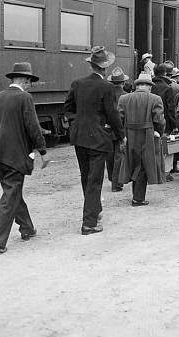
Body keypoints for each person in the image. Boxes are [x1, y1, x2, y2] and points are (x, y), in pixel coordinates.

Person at [0, 62, 49, 256]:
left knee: (12, 192)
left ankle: (27, 228)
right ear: (24, 80)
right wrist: (43, 151)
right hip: (16, 158)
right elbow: (33, 127)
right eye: (30, 82)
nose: (30, 86)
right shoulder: (25, 98)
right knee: (10, 197)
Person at [64, 46, 123, 235]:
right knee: (95, 180)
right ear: (104, 68)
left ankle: (94, 212)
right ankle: (89, 223)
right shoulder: (107, 87)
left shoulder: (77, 83)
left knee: (85, 177)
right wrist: (120, 136)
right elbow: (113, 114)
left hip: (79, 137)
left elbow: (67, 108)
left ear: (91, 65)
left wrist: (78, 123)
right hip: (98, 138)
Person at [117, 72, 165, 205]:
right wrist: (159, 132)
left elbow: (119, 119)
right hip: (147, 135)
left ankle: (136, 195)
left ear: (137, 86)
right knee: (143, 165)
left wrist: (122, 136)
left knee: (132, 163)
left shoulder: (124, 98)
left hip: (129, 134)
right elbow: (159, 120)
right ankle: (138, 198)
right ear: (149, 86)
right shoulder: (155, 99)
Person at [152, 63, 177, 181]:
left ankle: (154, 171)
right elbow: (171, 109)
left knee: (153, 147)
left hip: (150, 122)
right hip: (165, 122)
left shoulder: (150, 86)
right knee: (167, 148)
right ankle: (166, 173)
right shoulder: (168, 88)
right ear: (165, 73)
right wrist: (174, 124)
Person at [106, 66, 129, 192]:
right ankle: (116, 183)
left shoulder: (106, 94)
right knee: (119, 156)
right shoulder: (126, 96)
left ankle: (111, 178)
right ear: (123, 82)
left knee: (109, 156)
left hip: (107, 129)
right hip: (121, 129)